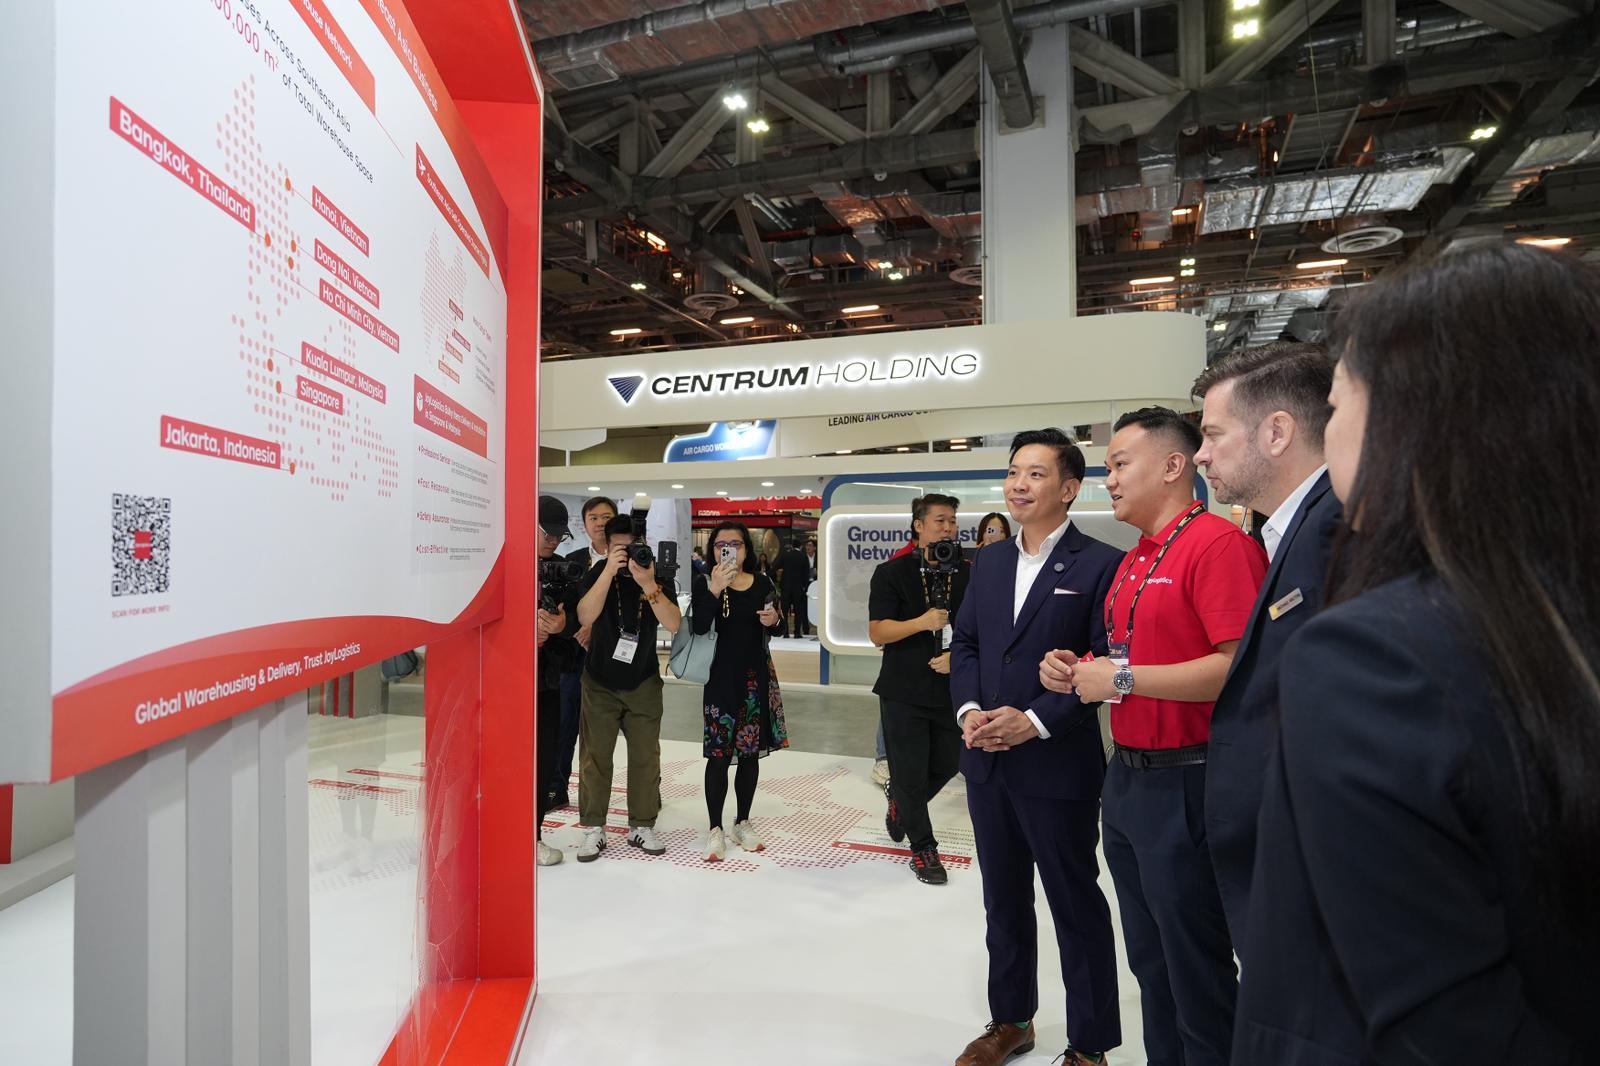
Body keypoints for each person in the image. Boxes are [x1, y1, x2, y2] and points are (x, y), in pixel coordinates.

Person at [1235, 245, 1600, 1063]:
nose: (1330, 436)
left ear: (1414, 420)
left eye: (1339, 404)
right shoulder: (1548, 614)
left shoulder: (1376, 658)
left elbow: (1442, 1020)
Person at [1042, 407, 1265, 1066]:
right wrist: (1082, 670)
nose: (1107, 479)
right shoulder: (1136, 558)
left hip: (1190, 781)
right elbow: (1131, 659)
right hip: (1129, 781)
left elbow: (1237, 669)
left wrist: (1120, 678)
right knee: (1151, 961)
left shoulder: (1218, 546)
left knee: (1196, 967)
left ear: (1173, 466)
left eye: (1119, 464)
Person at [949, 428, 1124, 1066]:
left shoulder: (1100, 563)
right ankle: (1011, 1021)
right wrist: (970, 710)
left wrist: (1034, 720)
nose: (1018, 485)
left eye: (1035, 474)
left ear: (1070, 489)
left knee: (1075, 903)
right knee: (1003, 900)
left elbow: (1105, 664)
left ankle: (1091, 1046)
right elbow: (967, 643)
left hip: (1056, 763)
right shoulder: (990, 560)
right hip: (987, 759)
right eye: (1013, 472)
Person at [1188, 342, 1340, 947]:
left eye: (1212, 435)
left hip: (1317, 867)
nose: (1200, 454)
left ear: (1276, 432)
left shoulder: (1335, 530)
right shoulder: (1291, 532)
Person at [868, 494, 969, 885]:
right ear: (919, 525)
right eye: (940, 520)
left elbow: (981, 628)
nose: (948, 528)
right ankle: (924, 848)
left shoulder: (967, 573)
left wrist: (958, 655)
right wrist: (922, 622)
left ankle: (901, 804)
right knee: (909, 773)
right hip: (903, 689)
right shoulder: (891, 572)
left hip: (951, 689)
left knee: (950, 762)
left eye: (952, 521)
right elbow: (878, 632)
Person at [573, 514, 682, 861]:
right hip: (600, 682)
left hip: (643, 680)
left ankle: (642, 824)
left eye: (632, 546)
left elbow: (674, 623)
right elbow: (585, 616)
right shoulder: (597, 573)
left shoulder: (655, 575)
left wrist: (648, 583)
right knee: (594, 757)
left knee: (646, 756)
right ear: (606, 547)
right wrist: (608, 570)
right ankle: (594, 827)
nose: (627, 554)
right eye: (619, 548)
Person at [691, 522, 789, 861]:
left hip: (754, 679)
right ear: (713, 550)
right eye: (722, 544)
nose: (729, 549)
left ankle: (742, 821)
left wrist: (773, 621)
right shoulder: (705, 582)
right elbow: (699, 626)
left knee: (749, 754)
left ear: (746, 549)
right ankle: (715, 827)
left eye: (736, 544)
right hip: (720, 679)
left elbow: (780, 626)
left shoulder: (762, 583)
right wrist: (716, 588)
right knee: (718, 756)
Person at [553, 495, 615, 810]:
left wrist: (598, 628)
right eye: (594, 518)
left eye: (607, 517)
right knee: (565, 726)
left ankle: (648, 790)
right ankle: (556, 788)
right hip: (576, 659)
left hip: (619, 661)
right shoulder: (573, 561)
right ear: (585, 524)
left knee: (632, 731)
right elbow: (565, 607)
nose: (600, 523)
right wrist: (579, 626)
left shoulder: (632, 559)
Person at [536, 496, 581, 867]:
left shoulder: (562, 573)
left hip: (547, 684)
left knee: (543, 761)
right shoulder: (501, 565)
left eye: (558, 535)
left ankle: (532, 834)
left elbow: (574, 637)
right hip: (503, 684)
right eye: (547, 532)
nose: (553, 540)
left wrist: (561, 627)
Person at [774, 538, 811, 637]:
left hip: (786, 587)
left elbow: (776, 566)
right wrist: (805, 586)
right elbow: (806, 573)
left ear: (792, 546)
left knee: (785, 610)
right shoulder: (803, 556)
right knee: (798, 611)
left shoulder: (785, 555)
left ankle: (785, 632)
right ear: (800, 546)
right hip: (798, 588)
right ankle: (797, 633)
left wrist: (767, 575)